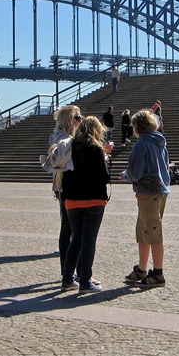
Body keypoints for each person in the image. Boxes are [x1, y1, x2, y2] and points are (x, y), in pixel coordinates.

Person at [60, 116, 112, 292]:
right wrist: (106, 158)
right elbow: (105, 177)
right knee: (89, 241)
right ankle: (85, 282)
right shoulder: (96, 149)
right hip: (93, 200)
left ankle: (67, 279)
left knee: (76, 240)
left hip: (72, 200)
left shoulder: (70, 147)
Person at [121, 110, 171, 288]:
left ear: (137, 127)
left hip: (148, 192)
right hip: (161, 191)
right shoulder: (160, 143)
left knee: (152, 233)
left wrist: (125, 174)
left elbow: (135, 172)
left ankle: (158, 273)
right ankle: (141, 269)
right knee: (144, 231)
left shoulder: (141, 145)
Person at [47, 104, 82, 283]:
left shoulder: (58, 137)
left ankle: (68, 270)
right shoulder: (64, 140)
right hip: (68, 187)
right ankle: (69, 272)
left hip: (62, 187)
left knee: (67, 229)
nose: (80, 121)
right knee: (71, 230)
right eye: (78, 118)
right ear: (69, 120)